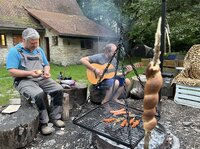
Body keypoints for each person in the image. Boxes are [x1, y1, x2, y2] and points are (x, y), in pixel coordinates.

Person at [6, 28, 65, 135]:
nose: (35, 45)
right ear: (24, 40)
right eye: (32, 43)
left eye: (37, 42)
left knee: (58, 89)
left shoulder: (39, 50)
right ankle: (44, 123)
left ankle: (55, 117)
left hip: (40, 77)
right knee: (39, 94)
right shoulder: (15, 51)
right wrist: (29, 73)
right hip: (23, 80)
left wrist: (47, 72)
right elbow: (12, 71)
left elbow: (46, 64)